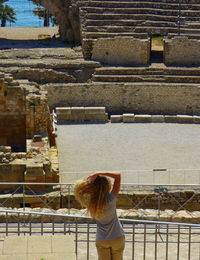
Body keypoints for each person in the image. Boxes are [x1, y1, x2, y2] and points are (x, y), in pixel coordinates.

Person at [74, 172, 125, 260]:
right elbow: (118, 176)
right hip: (117, 236)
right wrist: (98, 173)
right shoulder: (111, 198)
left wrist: (88, 182)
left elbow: (78, 190)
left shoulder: (91, 203)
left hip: (102, 239)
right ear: (107, 185)